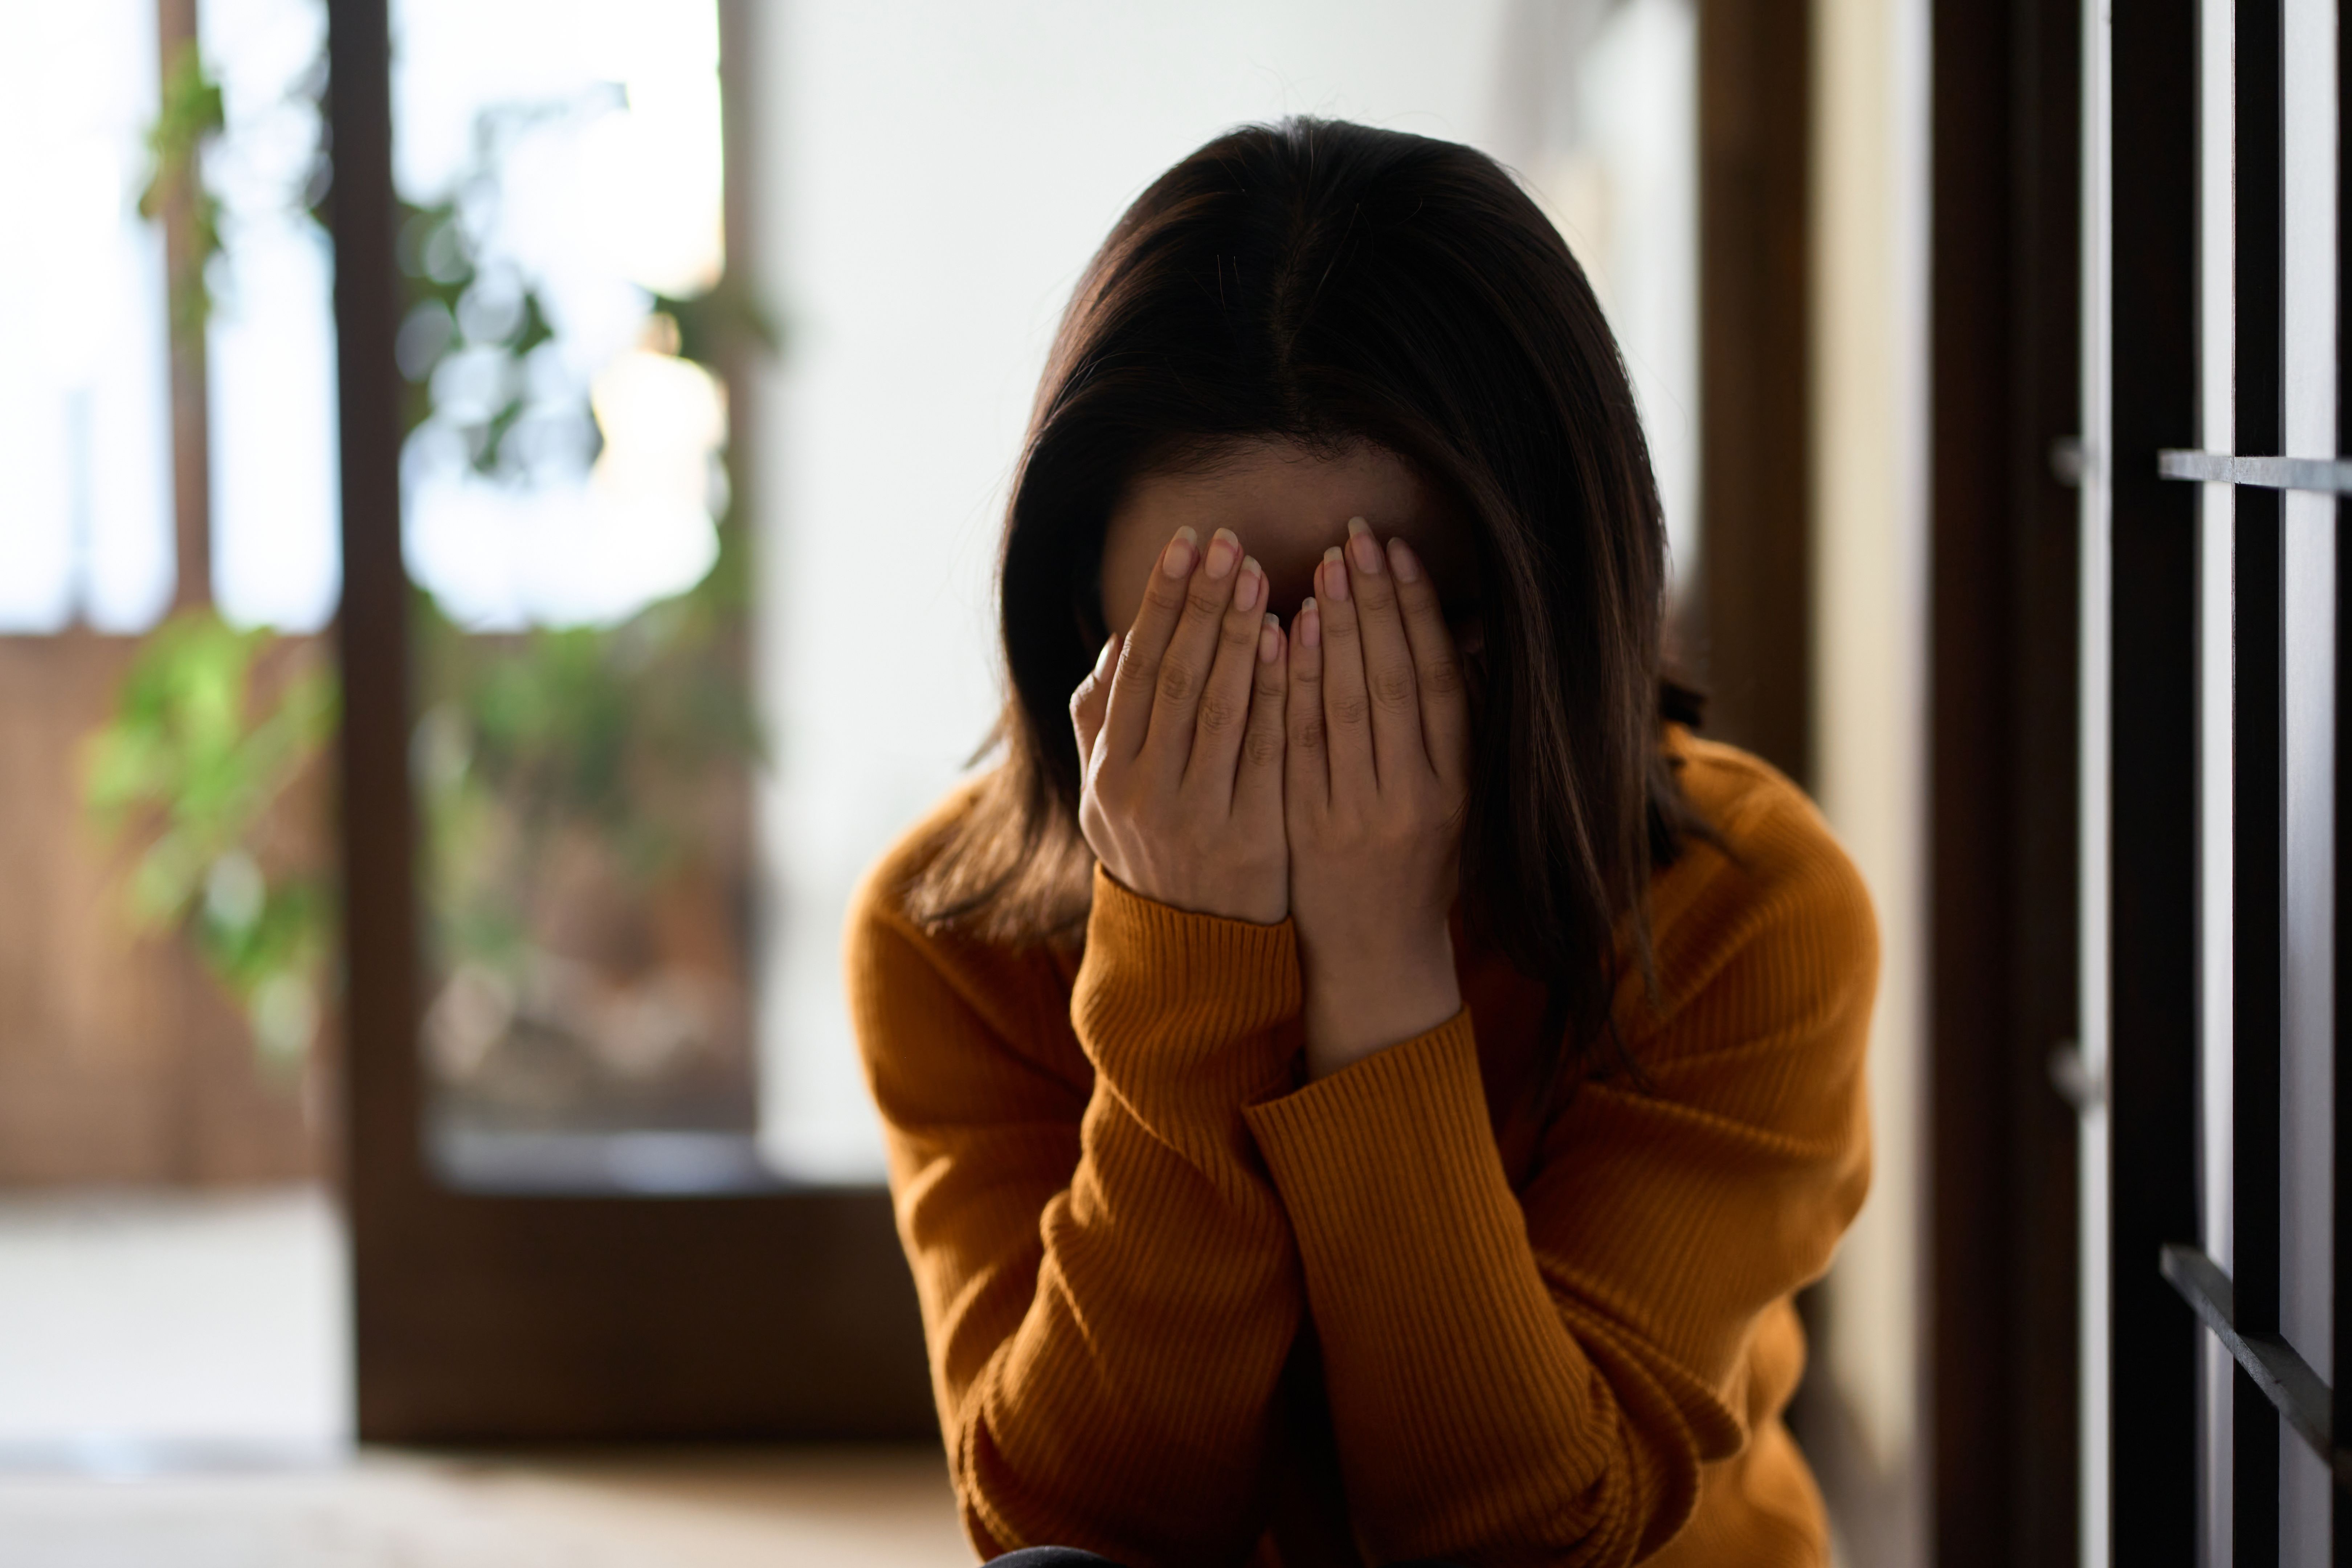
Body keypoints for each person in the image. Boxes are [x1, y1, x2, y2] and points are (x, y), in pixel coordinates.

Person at [846, 118, 1875, 1568]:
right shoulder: (951, 933)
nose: (1310, 714)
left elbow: (1536, 1544)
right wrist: (1188, 966)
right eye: (1208, 645)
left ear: (1547, 608)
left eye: (1389, 637)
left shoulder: (1748, 905)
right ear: (1083, 620)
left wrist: (1383, 973)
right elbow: (1069, 1532)